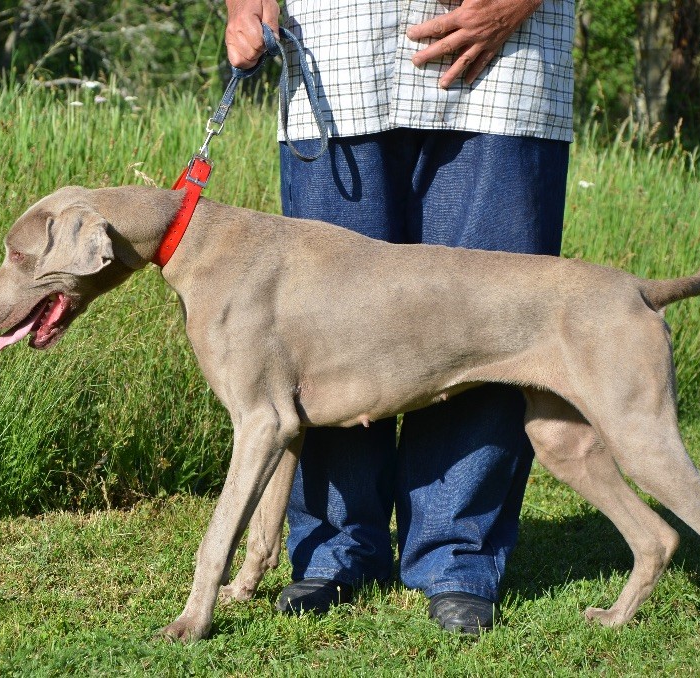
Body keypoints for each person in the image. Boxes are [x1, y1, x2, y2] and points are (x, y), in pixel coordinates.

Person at [223, 0, 574, 633]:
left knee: (488, 326)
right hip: (335, 61)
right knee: (321, 334)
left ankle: (457, 558)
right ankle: (336, 549)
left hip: (504, 70)